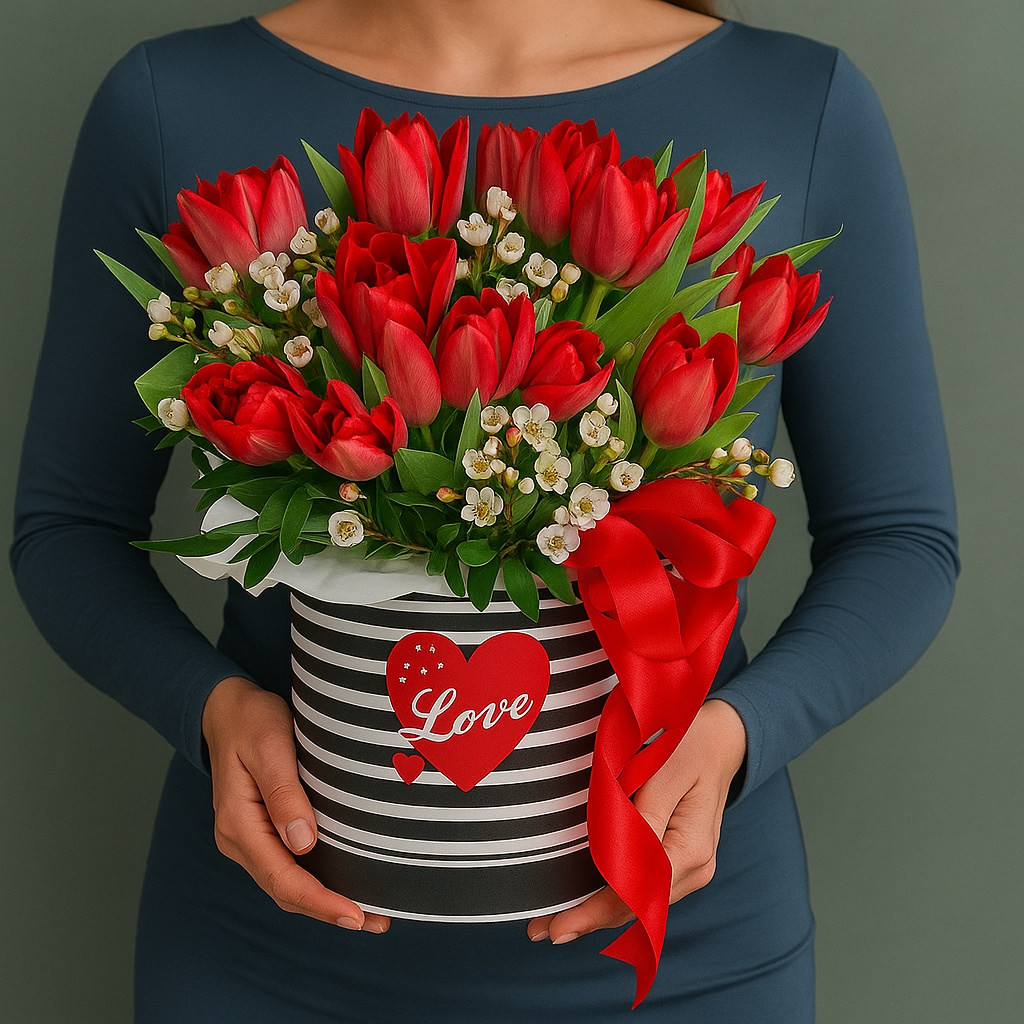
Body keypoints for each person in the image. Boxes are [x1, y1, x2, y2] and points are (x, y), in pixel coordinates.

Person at [11, 1, 958, 1021]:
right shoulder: (173, 102)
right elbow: (67, 527)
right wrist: (207, 709)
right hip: (264, 948)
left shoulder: (797, 104)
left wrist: (739, 735)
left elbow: (899, 539)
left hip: (684, 950)